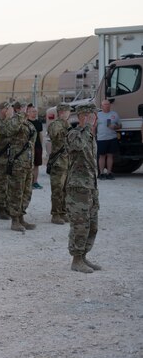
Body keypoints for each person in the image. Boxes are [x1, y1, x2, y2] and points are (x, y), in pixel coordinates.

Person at [66, 104, 100, 273]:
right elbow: (77, 147)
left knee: (92, 224)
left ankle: (84, 256)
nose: (95, 119)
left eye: (95, 116)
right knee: (80, 224)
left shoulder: (90, 135)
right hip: (78, 188)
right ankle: (76, 259)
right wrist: (86, 127)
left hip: (91, 186)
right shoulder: (74, 134)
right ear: (82, 116)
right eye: (92, 115)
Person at [1, 102, 37, 232]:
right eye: (26, 108)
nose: (29, 110)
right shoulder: (15, 121)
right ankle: (15, 220)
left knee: (26, 192)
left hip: (28, 163)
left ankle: (21, 216)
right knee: (16, 191)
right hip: (17, 164)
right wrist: (21, 115)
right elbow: (10, 130)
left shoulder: (29, 124)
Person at [47, 104, 71, 224]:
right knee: (57, 189)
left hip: (67, 161)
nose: (69, 114)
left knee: (66, 189)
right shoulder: (55, 124)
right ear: (61, 112)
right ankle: (55, 214)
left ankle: (63, 212)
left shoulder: (67, 124)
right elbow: (55, 136)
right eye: (67, 111)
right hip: (58, 162)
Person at [96, 99, 122, 179]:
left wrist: (115, 127)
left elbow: (120, 125)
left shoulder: (114, 114)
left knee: (110, 156)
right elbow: (93, 126)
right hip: (101, 138)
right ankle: (101, 173)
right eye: (105, 105)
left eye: (108, 104)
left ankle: (109, 173)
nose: (107, 106)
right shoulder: (98, 115)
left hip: (112, 138)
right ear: (102, 106)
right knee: (102, 156)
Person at [26, 104, 44, 189]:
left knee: (36, 165)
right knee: (28, 165)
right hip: (27, 148)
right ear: (28, 112)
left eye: (36, 111)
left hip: (37, 146)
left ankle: (35, 182)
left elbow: (40, 134)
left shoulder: (38, 123)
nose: (35, 113)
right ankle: (28, 182)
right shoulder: (26, 123)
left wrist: (41, 145)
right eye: (33, 111)